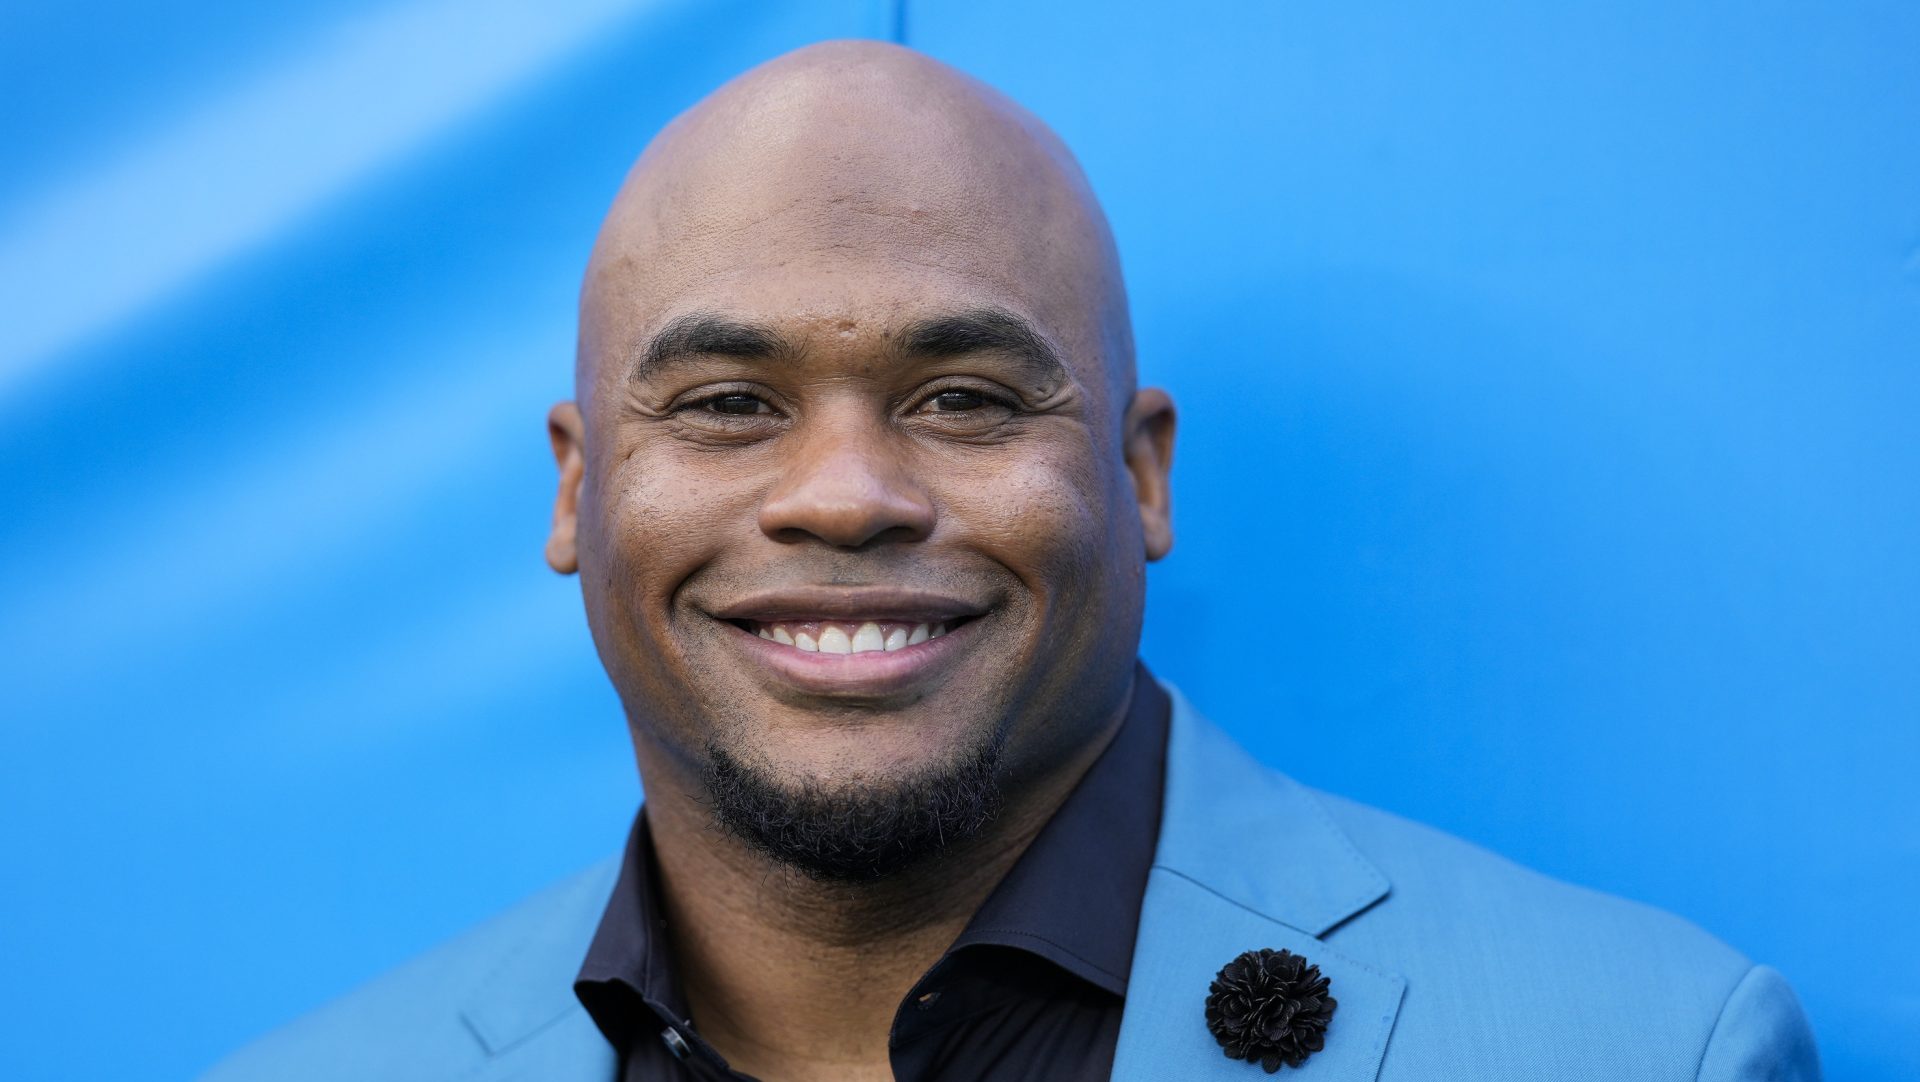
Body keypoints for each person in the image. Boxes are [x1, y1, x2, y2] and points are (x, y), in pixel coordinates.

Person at [202, 40, 1819, 1082]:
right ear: (580, 490)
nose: (844, 495)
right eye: (729, 402)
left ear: (1138, 472)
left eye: (966, 397)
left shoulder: (1640, 1045)